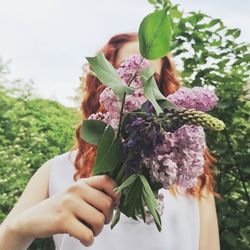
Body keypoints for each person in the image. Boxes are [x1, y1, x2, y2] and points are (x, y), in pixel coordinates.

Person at [0, 33, 220, 250]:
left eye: (149, 80)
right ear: (105, 81)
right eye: (128, 74)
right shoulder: (56, 170)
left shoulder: (193, 181)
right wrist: (19, 229)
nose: (137, 87)